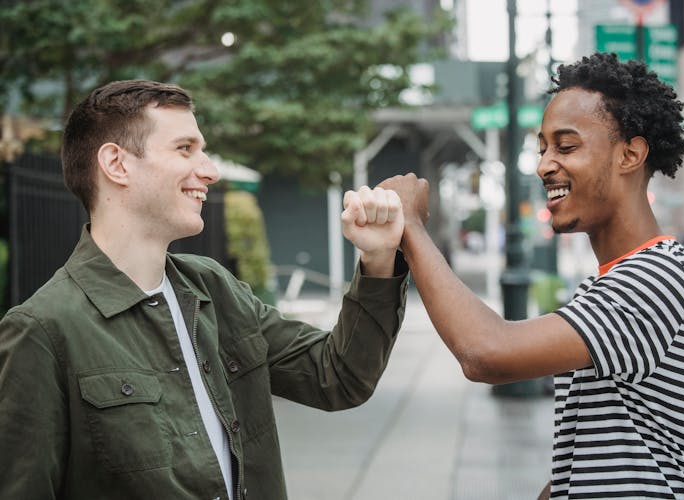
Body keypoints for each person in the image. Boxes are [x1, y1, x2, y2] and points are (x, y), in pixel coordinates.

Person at [0, 80, 409, 500]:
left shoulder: (215, 289)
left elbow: (338, 377)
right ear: (116, 165)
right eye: (185, 149)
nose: (210, 169)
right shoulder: (43, 332)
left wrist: (378, 260)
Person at [380, 53, 684, 499]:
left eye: (566, 145)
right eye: (542, 147)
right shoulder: (610, 284)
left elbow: (487, 353)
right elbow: (586, 462)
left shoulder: (658, 277)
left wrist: (413, 229)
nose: (544, 165)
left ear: (630, 154)